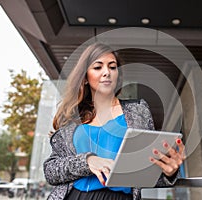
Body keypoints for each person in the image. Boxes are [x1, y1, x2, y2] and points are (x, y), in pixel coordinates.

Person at [43, 42, 186, 200]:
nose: (107, 72)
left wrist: (169, 172)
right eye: (98, 67)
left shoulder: (138, 111)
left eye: (112, 67)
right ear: (84, 78)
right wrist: (88, 161)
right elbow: (51, 171)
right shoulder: (72, 120)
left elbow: (145, 171)